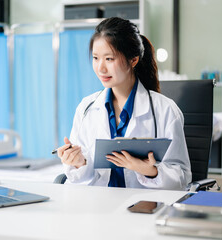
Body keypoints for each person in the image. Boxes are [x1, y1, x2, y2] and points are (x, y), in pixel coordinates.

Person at [57, 17, 191, 190]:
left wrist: (150, 171)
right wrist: (78, 162)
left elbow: (182, 176)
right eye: (96, 58)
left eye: (109, 59)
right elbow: (82, 178)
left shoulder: (165, 110)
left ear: (133, 60)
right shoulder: (86, 107)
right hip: (98, 206)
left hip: (143, 208)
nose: (101, 68)